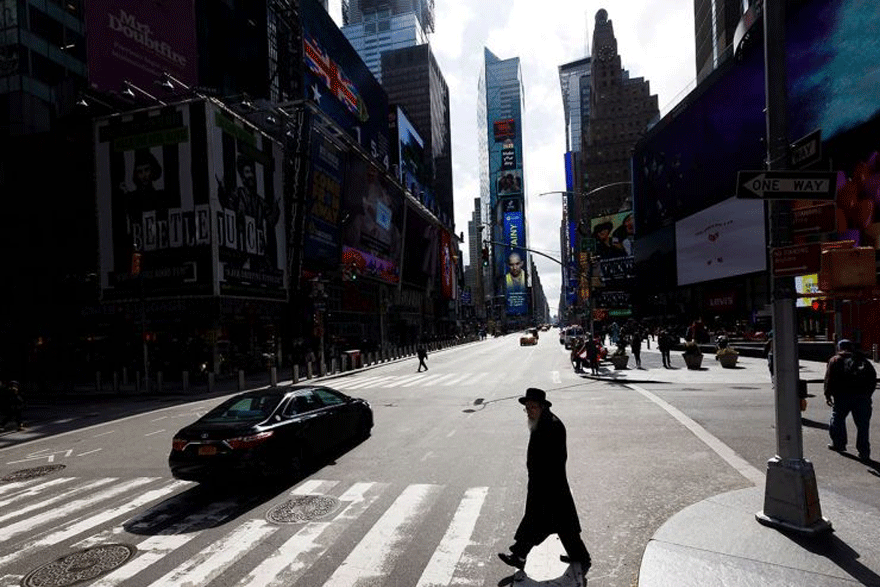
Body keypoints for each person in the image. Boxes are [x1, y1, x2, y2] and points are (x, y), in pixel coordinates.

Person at [498, 388, 591, 575]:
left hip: (549, 486)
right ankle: (580, 556)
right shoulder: (540, 422)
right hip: (546, 485)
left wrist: (542, 485)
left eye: (532, 407)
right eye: (527, 408)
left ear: (542, 406)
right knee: (564, 525)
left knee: (536, 522)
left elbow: (556, 460)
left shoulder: (552, 425)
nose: (529, 411)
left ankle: (519, 555)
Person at [824, 339, 876, 461]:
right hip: (862, 397)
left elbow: (829, 379)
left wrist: (828, 395)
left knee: (837, 419)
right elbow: (872, 379)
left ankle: (839, 444)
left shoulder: (835, 360)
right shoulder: (862, 360)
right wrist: (867, 395)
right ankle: (864, 452)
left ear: (839, 348)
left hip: (842, 396)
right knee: (863, 425)